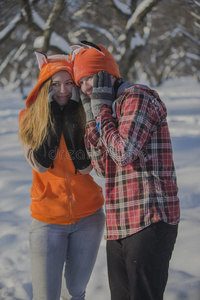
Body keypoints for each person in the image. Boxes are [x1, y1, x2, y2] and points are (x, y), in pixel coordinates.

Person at [71, 41, 180, 300]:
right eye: (81, 82)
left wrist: (101, 114)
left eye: (90, 78)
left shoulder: (138, 97)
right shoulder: (106, 108)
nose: (86, 87)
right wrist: (91, 121)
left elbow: (123, 152)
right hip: (119, 223)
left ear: (108, 75)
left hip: (150, 218)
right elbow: (102, 168)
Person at [18, 52, 105, 300]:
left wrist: (75, 120)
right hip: (48, 220)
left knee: (75, 293)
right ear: (45, 86)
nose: (63, 90)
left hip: (89, 217)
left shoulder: (85, 114)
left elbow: (89, 167)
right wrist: (55, 118)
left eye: (68, 83)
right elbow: (40, 164)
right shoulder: (28, 118)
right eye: (55, 84)